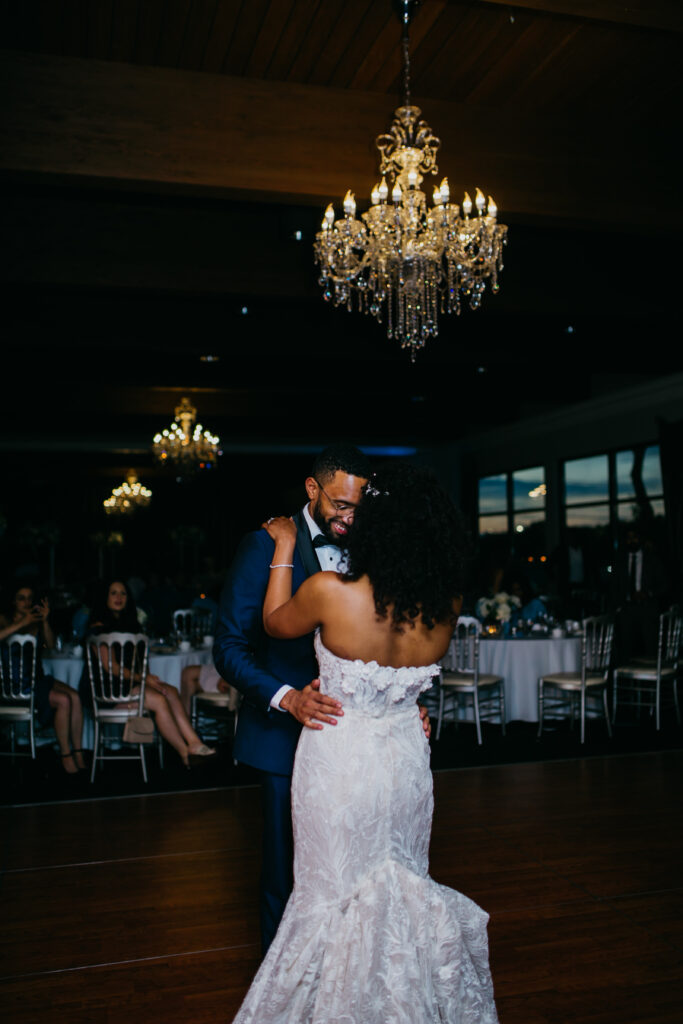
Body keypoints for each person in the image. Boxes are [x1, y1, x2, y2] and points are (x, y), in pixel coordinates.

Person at [231, 461, 498, 1023]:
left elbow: (276, 621)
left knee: (330, 895)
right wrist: (409, 706)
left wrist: (283, 545)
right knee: (401, 888)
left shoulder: (331, 592)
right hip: (404, 760)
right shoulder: (444, 606)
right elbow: (399, 680)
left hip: (341, 758)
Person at [213, 443, 374, 954]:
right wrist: (287, 699)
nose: (350, 516)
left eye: (359, 505)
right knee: (285, 870)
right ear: (313, 489)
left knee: (352, 863)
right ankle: (279, 986)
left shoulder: (372, 546)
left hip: (356, 736)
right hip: (284, 738)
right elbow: (229, 647)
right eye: (341, 505)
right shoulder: (264, 546)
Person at [81, 580, 216, 768]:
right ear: (105, 597)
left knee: (171, 691)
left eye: (123, 593)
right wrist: (144, 679)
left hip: (130, 685)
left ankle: (194, 742)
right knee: (159, 700)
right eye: (113, 593)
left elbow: (138, 663)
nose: (119, 597)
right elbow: (111, 667)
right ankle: (185, 753)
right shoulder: (98, 628)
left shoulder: (130, 625)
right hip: (108, 692)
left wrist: (148, 679)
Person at [0, 583, 86, 774]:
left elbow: (50, 645)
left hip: (36, 677)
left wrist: (45, 621)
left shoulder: (36, 621)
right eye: (21, 598)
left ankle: (78, 751)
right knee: (63, 700)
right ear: (13, 601)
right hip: (14, 683)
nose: (26, 602)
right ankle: (65, 754)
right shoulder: (4, 620)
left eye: (29, 598)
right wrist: (22, 623)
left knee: (75, 697)